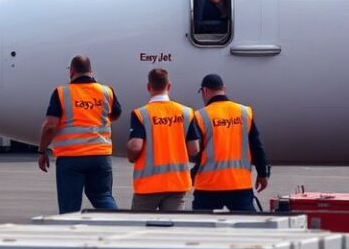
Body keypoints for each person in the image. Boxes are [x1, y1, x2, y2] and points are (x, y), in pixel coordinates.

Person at [37, 55, 120, 214]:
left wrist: (42, 150)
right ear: (91, 71)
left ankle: (70, 235)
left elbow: (50, 126)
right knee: (102, 196)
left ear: (72, 71)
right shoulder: (106, 91)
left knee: (70, 206)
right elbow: (115, 114)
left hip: (71, 158)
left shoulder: (62, 93)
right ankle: (116, 223)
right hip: (100, 156)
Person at [191, 73, 270, 211]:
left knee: (202, 227)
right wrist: (263, 174)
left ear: (204, 91)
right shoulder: (244, 112)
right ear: (224, 89)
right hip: (239, 184)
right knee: (246, 227)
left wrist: (192, 175)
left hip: (208, 186)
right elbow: (257, 146)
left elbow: (196, 152)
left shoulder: (200, 116)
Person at [126, 69, 200, 211]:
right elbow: (194, 149)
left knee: (141, 226)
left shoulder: (141, 114)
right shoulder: (186, 113)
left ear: (149, 87)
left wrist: (131, 156)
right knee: (172, 228)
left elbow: (135, 146)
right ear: (169, 86)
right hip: (177, 184)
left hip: (148, 185)